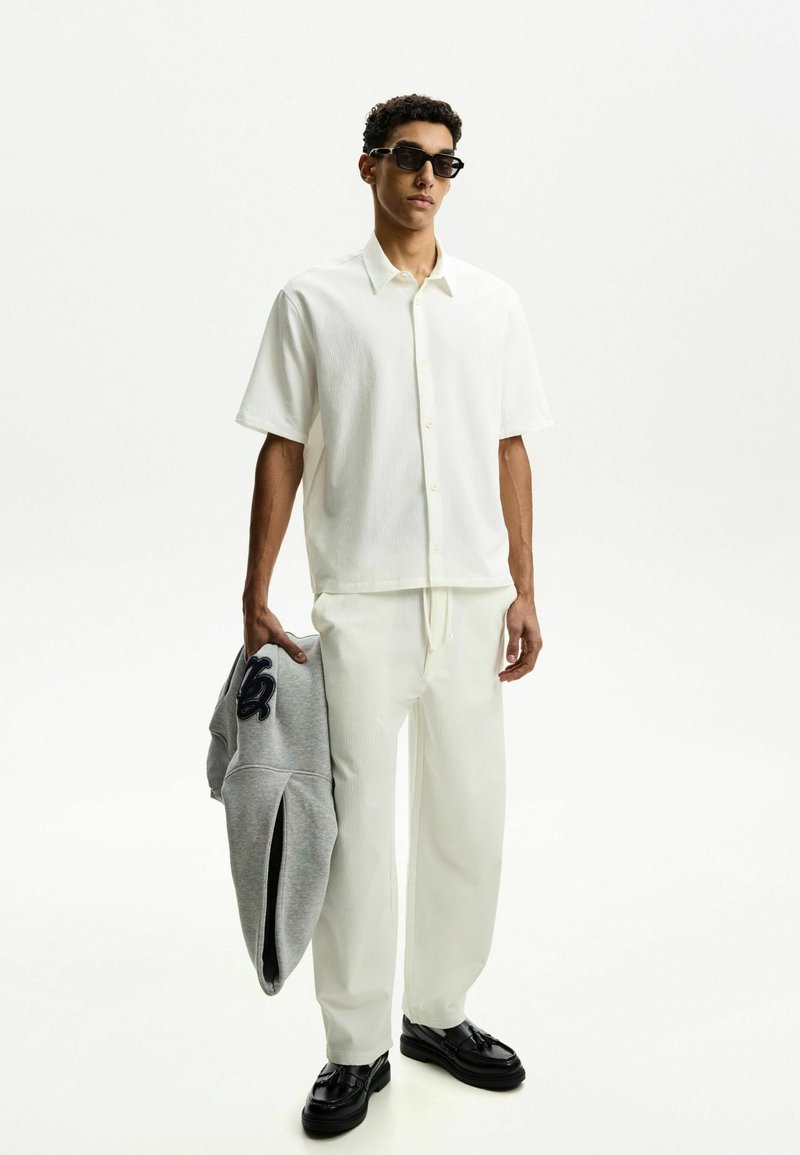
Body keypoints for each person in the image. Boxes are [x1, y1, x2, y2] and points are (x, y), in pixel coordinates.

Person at [235, 93, 555, 1138]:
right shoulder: (313, 300)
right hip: (362, 603)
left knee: (469, 816)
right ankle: (353, 1047)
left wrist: (523, 585)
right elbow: (283, 445)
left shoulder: (492, 303)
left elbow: (509, 447)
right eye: (408, 157)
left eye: (444, 163)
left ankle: (437, 1014)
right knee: (356, 830)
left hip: (471, 600)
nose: (426, 177)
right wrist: (256, 588)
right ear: (368, 166)